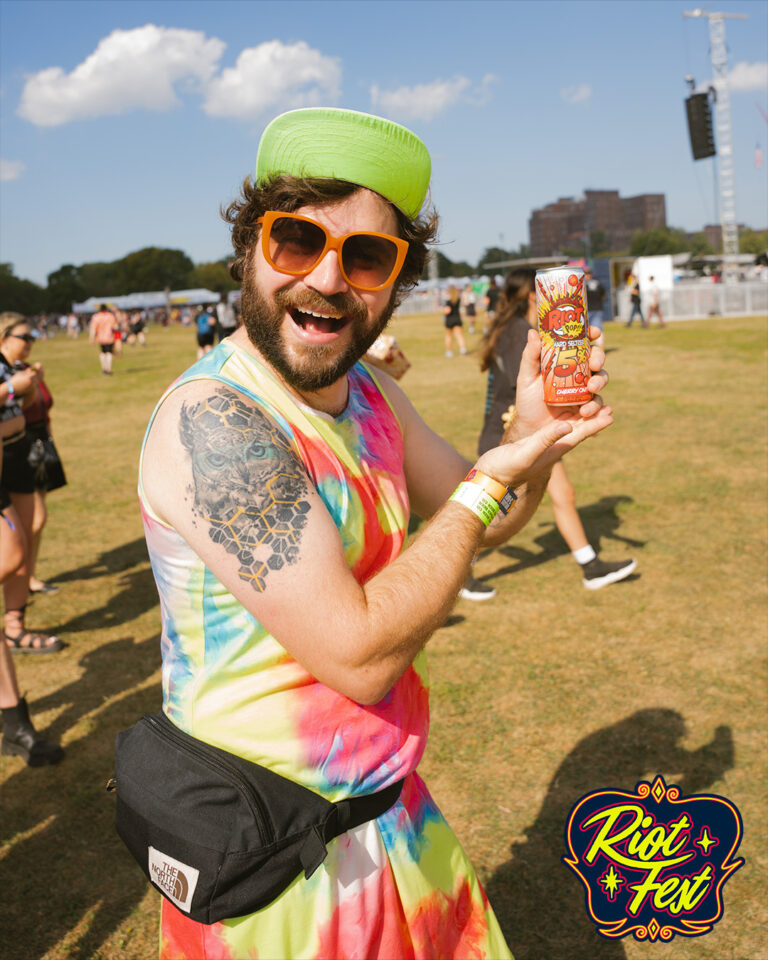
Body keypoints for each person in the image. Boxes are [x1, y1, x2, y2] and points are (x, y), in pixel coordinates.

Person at [138, 107, 612, 959]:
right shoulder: (216, 421)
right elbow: (358, 654)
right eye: (296, 241)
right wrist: (486, 483)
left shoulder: (370, 396)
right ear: (249, 248)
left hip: (393, 818)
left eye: (365, 257)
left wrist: (525, 441)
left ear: (398, 281)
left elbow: (490, 521)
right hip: (279, 869)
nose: (327, 279)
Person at [478, 268, 636, 590]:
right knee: (495, 512)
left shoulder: (516, 327)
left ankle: (590, 566)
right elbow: (514, 380)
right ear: (533, 295)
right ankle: (461, 568)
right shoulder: (519, 330)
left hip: (528, 426)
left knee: (561, 494)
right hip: (508, 430)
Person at [0, 317, 62, 652]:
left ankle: (14, 626)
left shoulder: (15, 367)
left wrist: (28, 386)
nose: (31, 341)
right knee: (11, 553)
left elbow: (20, 407)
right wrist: (13, 387)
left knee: (25, 544)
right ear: (4, 337)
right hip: (3, 458)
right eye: (25, 336)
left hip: (21, 451)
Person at [89, 303, 118, 373]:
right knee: (109, 352)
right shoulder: (110, 316)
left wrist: (91, 338)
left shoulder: (96, 317)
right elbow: (115, 327)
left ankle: (104, 368)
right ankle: (109, 368)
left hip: (100, 338)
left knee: (103, 352)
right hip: (109, 337)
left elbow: (93, 328)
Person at [442, 284, 467, 356]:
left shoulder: (448, 301)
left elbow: (447, 311)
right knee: (459, 335)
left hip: (450, 319)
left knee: (448, 336)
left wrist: (441, 309)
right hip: (457, 318)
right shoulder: (458, 299)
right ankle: (463, 349)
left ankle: (449, 352)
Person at [584, 267, 606, 333]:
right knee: (597, 327)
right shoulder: (598, 282)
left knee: (586, 328)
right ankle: (600, 343)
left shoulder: (582, 284)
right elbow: (603, 295)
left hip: (587, 308)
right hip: (598, 307)